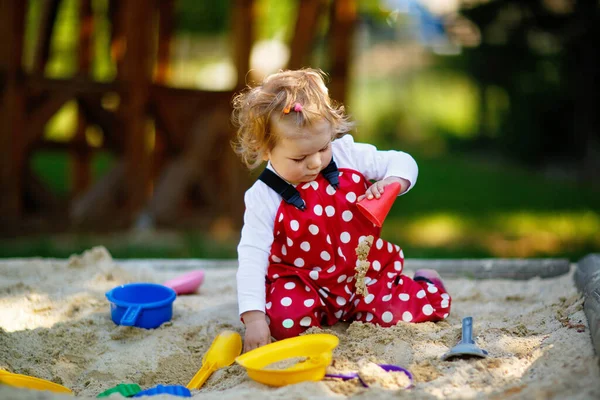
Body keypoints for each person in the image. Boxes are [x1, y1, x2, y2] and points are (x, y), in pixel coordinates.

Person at [231, 68, 451, 353]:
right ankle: (309, 313)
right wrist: (254, 318)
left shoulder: (348, 155)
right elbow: (252, 256)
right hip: (304, 282)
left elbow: (403, 161)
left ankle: (426, 281)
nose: (314, 163)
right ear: (264, 150)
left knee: (401, 313)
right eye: (300, 157)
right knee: (282, 324)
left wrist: (392, 182)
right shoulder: (264, 196)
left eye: (323, 148)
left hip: (362, 275)